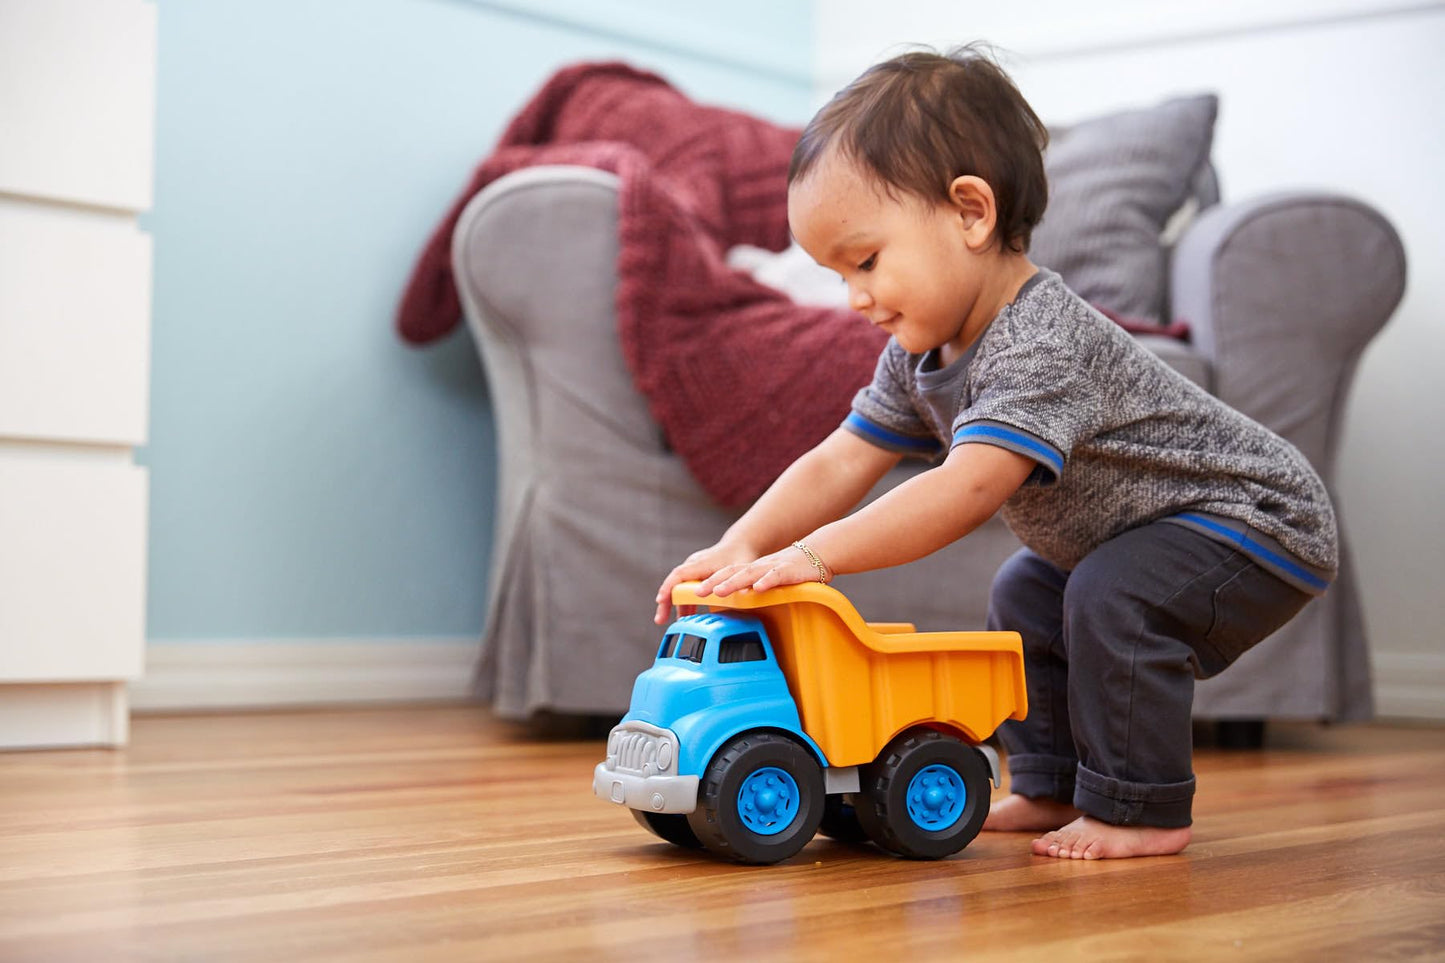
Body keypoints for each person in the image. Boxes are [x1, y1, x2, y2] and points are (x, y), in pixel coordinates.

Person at [652, 45, 1336, 860]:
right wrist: (745, 543)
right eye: (838, 275)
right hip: (1139, 529)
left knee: (1114, 596)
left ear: (970, 213)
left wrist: (815, 555)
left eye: (865, 260)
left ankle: (1142, 808)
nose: (856, 297)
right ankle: (1047, 783)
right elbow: (839, 459)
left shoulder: (1039, 340)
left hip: (1255, 517)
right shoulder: (917, 355)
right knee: (1024, 589)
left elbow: (968, 485)